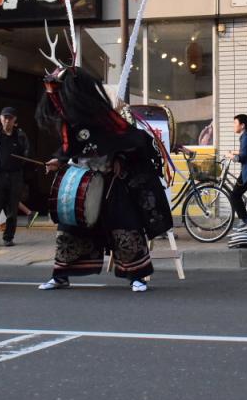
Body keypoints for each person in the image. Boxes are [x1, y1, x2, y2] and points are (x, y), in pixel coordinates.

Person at [35, 65, 173, 292]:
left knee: (125, 224)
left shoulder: (104, 116)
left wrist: (120, 159)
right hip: (84, 178)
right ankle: (60, 275)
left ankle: (137, 276)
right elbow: (70, 148)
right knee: (71, 226)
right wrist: (58, 160)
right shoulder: (69, 120)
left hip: (111, 179)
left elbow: (131, 140)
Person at [0, 107, 30, 247]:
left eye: (10, 118)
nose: (7, 120)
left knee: (12, 210)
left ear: (15, 120)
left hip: (15, 177)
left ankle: (8, 238)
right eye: (5, 117)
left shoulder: (21, 135)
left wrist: (19, 164)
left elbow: (27, 153)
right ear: (0, 118)